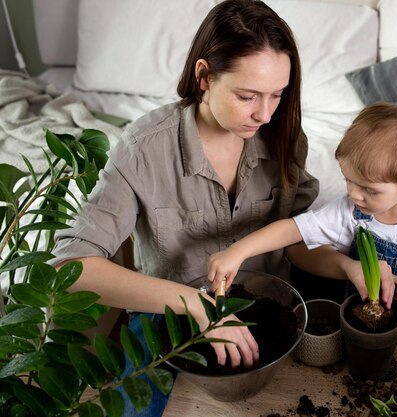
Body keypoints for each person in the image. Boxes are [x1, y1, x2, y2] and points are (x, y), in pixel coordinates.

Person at [52, 0, 323, 415]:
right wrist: (196, 305)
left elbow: (298, 234)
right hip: (170, 317)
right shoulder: (142, 150)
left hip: (270, 311)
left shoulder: (284, 134)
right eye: (248, 95)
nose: (265, 114)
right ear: (204, 77)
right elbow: (67, 268)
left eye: (277, 95)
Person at [207, 102, 397, 330]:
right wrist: (239, 251)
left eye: (369, 189)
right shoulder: (349, 212)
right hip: (360, 328)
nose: (354, 195)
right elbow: (292, 230)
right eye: (348, 181)